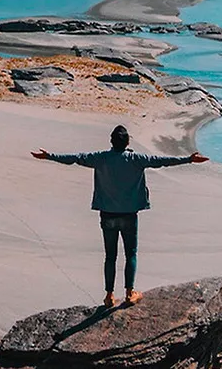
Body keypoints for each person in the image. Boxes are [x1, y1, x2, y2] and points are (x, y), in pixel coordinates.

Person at [32, 125, 208, 308]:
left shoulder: (100, 158)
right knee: (130, 253)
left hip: (107, 214)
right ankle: (130, 293)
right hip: (129, 215)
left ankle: (109, 296)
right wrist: (189, 159)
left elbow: (75, 158)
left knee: (110, 255)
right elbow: (162, 161)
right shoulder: (136, 159)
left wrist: (49, 156)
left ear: (111, 142)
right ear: (128, 142)